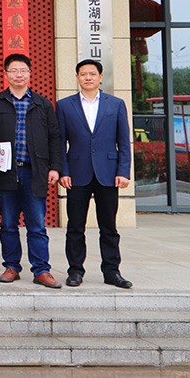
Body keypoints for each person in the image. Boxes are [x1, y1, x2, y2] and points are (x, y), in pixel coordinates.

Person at [0, 53, 63, 289]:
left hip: (34, 172)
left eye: (23, 70)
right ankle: (11, 267)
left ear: (30, 73)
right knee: (8, 224)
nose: (19, 74)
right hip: (5, 173)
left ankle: (41, 270)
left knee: (37, 225)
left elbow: (55, 137)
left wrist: (56, 167)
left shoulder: (42, 104)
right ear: (5, 74)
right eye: (14, 70)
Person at [56, 59, 133, 289]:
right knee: (75, 227)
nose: (87, 77)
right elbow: (59, 143)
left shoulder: (116, 104)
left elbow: (124, 141)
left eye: (92, 73)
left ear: (100, 77)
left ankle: (112, 271)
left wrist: (123, 171)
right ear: (77, 78)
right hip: (76, 174)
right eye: (83, 74)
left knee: (108, 227)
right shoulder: (64, 106)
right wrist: (63, 171)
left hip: (108, 174)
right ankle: (75, 271)